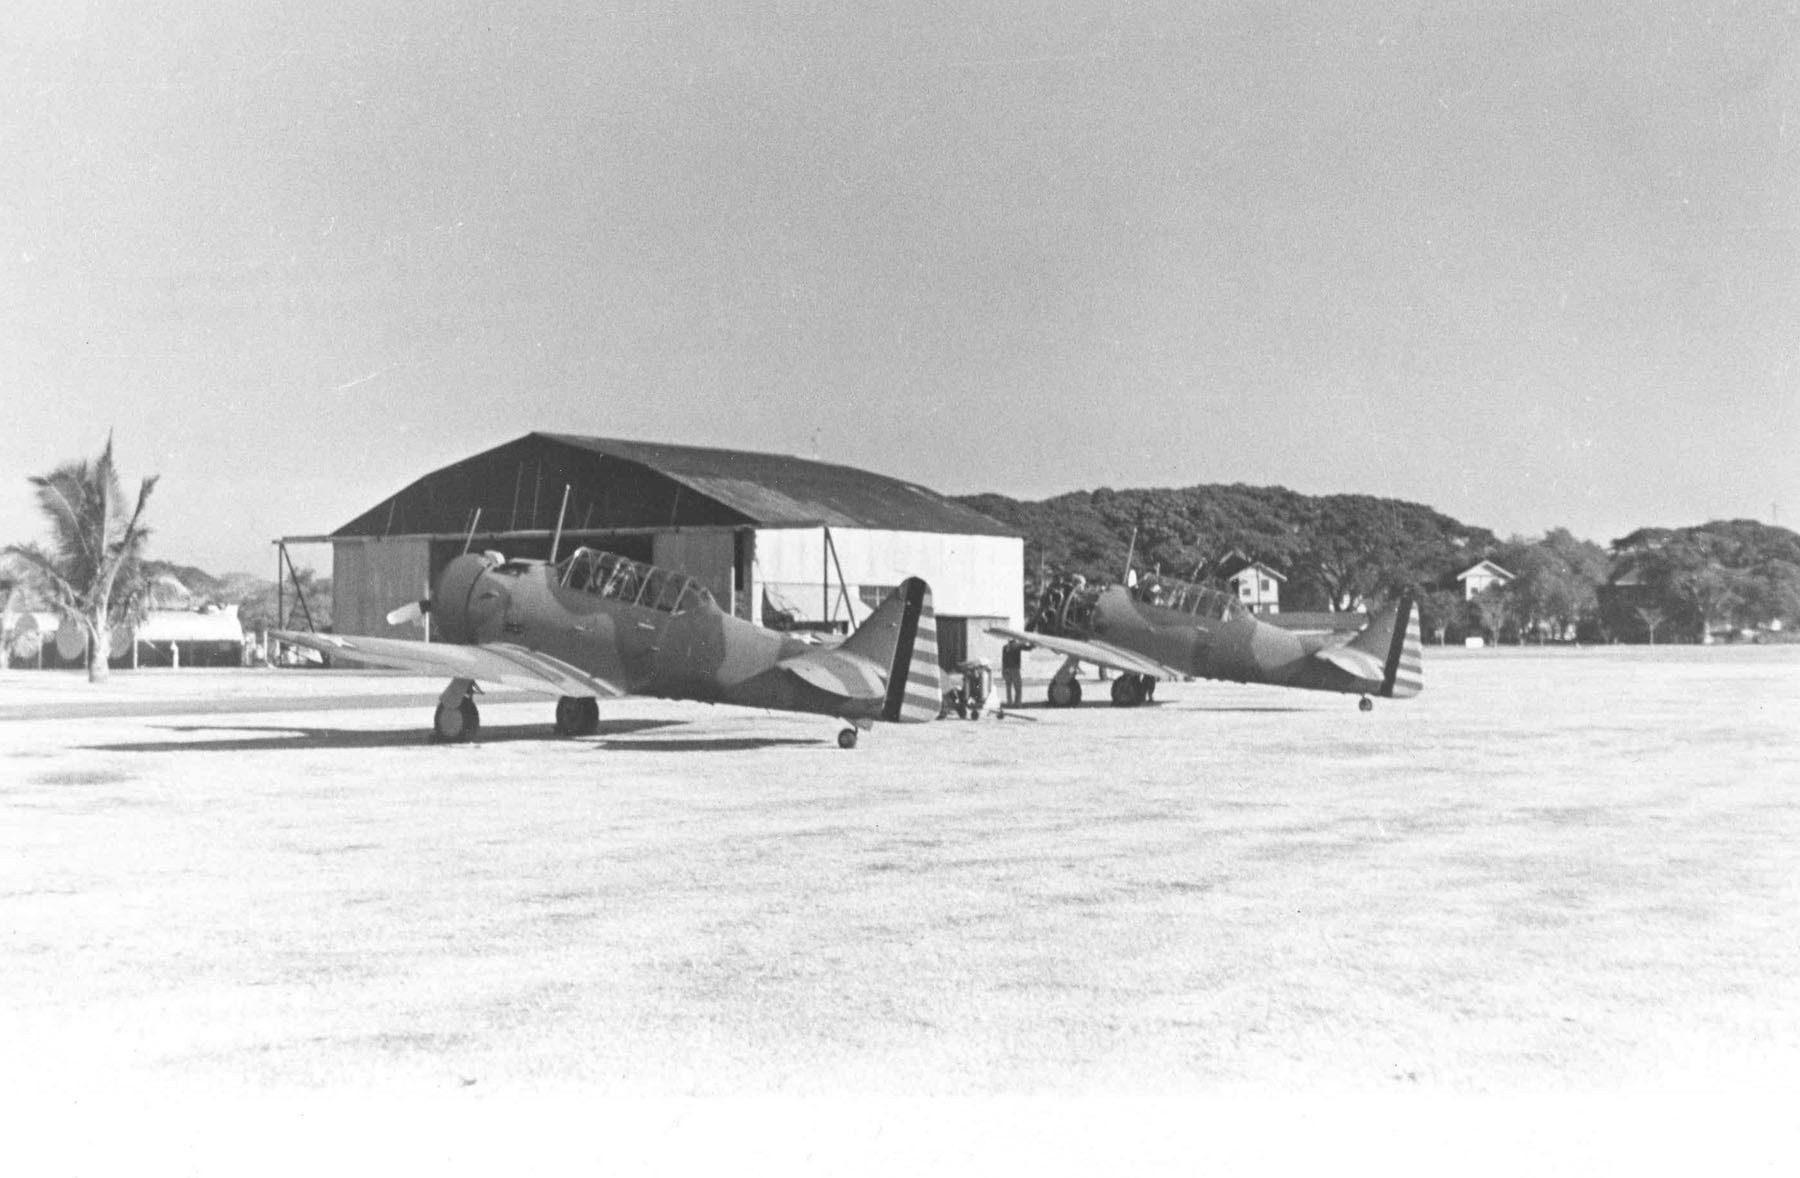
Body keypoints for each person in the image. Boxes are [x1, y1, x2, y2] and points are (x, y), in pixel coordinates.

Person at [1001, 638, 1029, 707]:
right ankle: (1017, 703)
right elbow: (1028, 648)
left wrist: (1003, 671)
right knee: (1018, 687)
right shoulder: (1017, 646)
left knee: (1008, 688)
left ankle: (1009, 703)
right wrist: (1032, 644)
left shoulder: (1005, 647)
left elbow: (1003, 660)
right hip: (1015, 670)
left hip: (1007, 669)